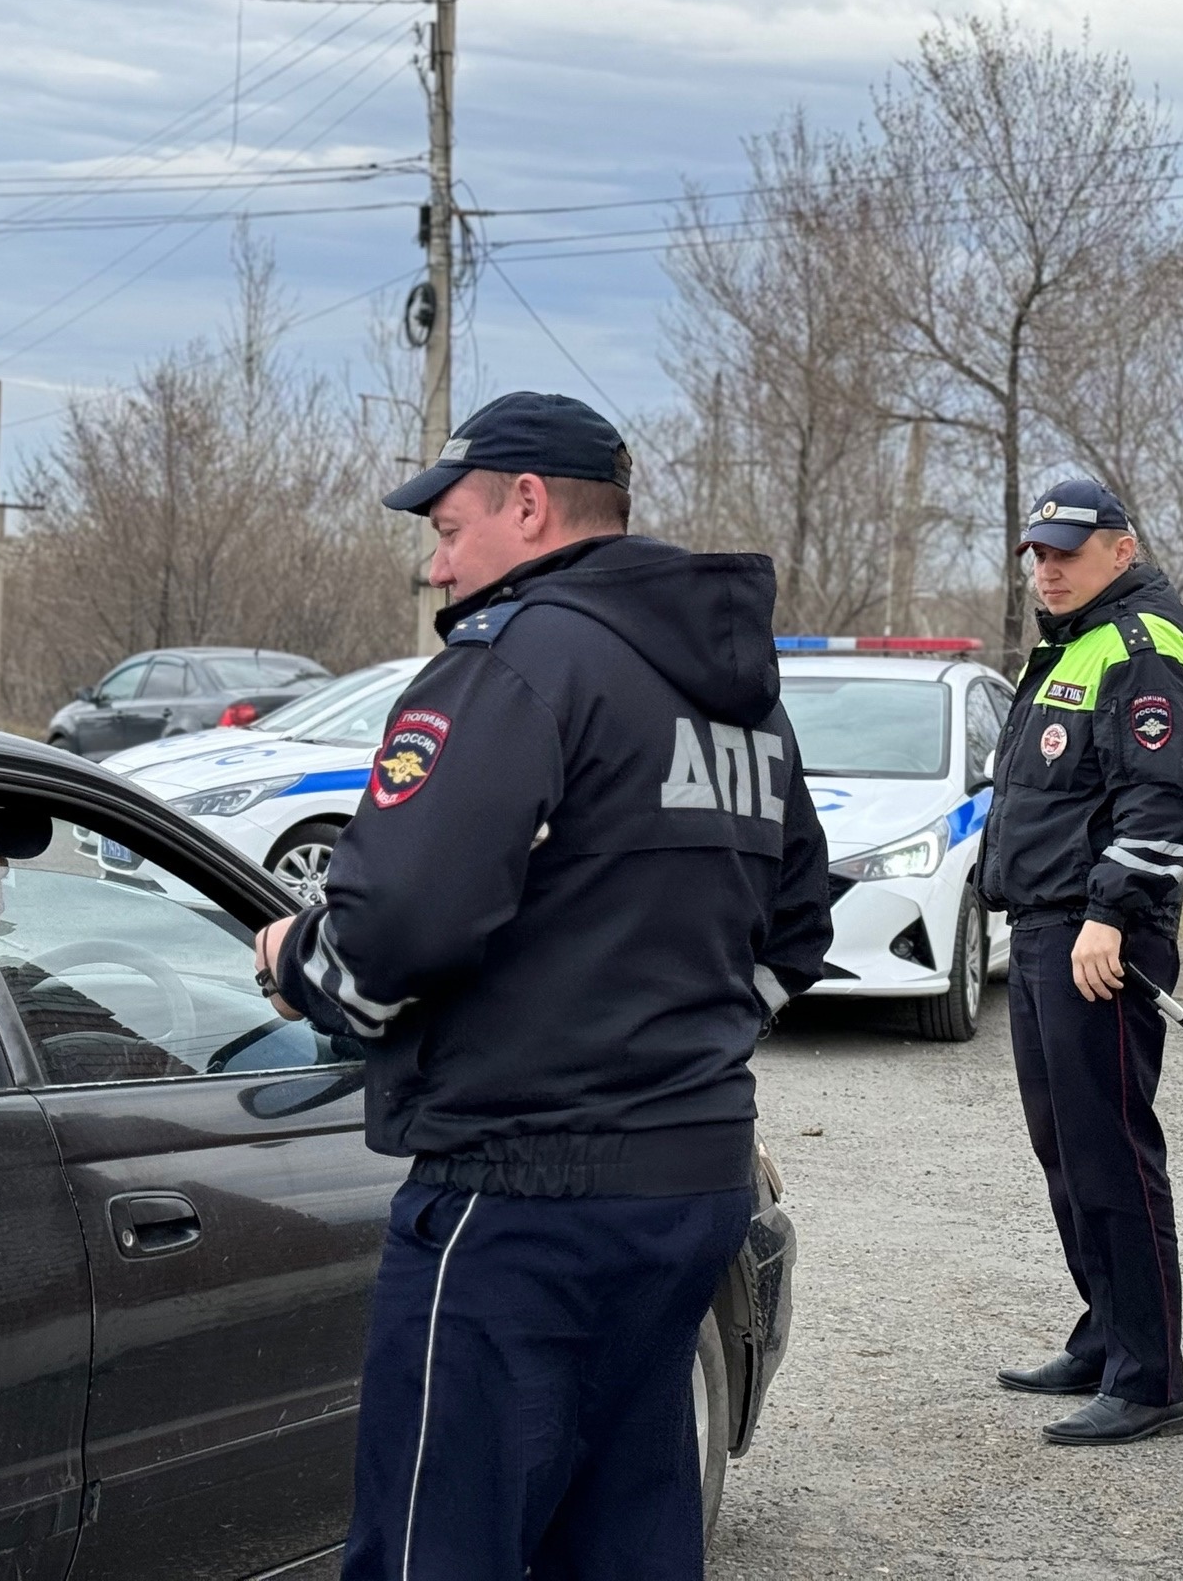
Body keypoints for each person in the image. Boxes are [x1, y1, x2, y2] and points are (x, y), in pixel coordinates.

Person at [251, 390, 833, 1581]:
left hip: (519, 1204)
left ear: (527, 505)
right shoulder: (739, 696)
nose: (435, 561)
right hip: (693, 1183)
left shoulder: (513, 668)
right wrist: (677, 1050)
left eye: (448, 528)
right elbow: (798, 927)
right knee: (624, 1537)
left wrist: (297, 964)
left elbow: (394, 928)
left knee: (436, 1549)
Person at [980, 477, 1183, 1447]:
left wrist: (1111, 916)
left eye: (1067, 550)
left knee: (1109, 1151)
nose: (1048, 568)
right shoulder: (1075, 642)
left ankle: (1150, 1378)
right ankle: (1105, 1335)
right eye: (1038, 553)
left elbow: (1162, 805)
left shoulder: (1142, 647)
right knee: (1065, 1151)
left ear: (1121, 547)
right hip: (1046, 932)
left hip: (1096, 942)